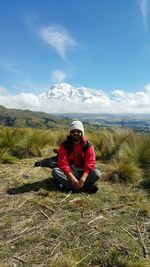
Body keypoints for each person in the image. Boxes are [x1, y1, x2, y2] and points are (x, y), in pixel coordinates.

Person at [52, 120, 100, 193]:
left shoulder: (88, 146)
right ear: (70, 133)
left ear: (82, 133)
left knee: (97, 174)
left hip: (84, 171)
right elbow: (63, 163)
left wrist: (83, 179)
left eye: (78, 131)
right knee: (55, 171)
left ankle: (70, 186)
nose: (75, 133)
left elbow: (90, 162)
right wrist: (73, 179)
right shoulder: (64, 146)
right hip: (71, 170)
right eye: (73, 131)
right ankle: (83, 188)